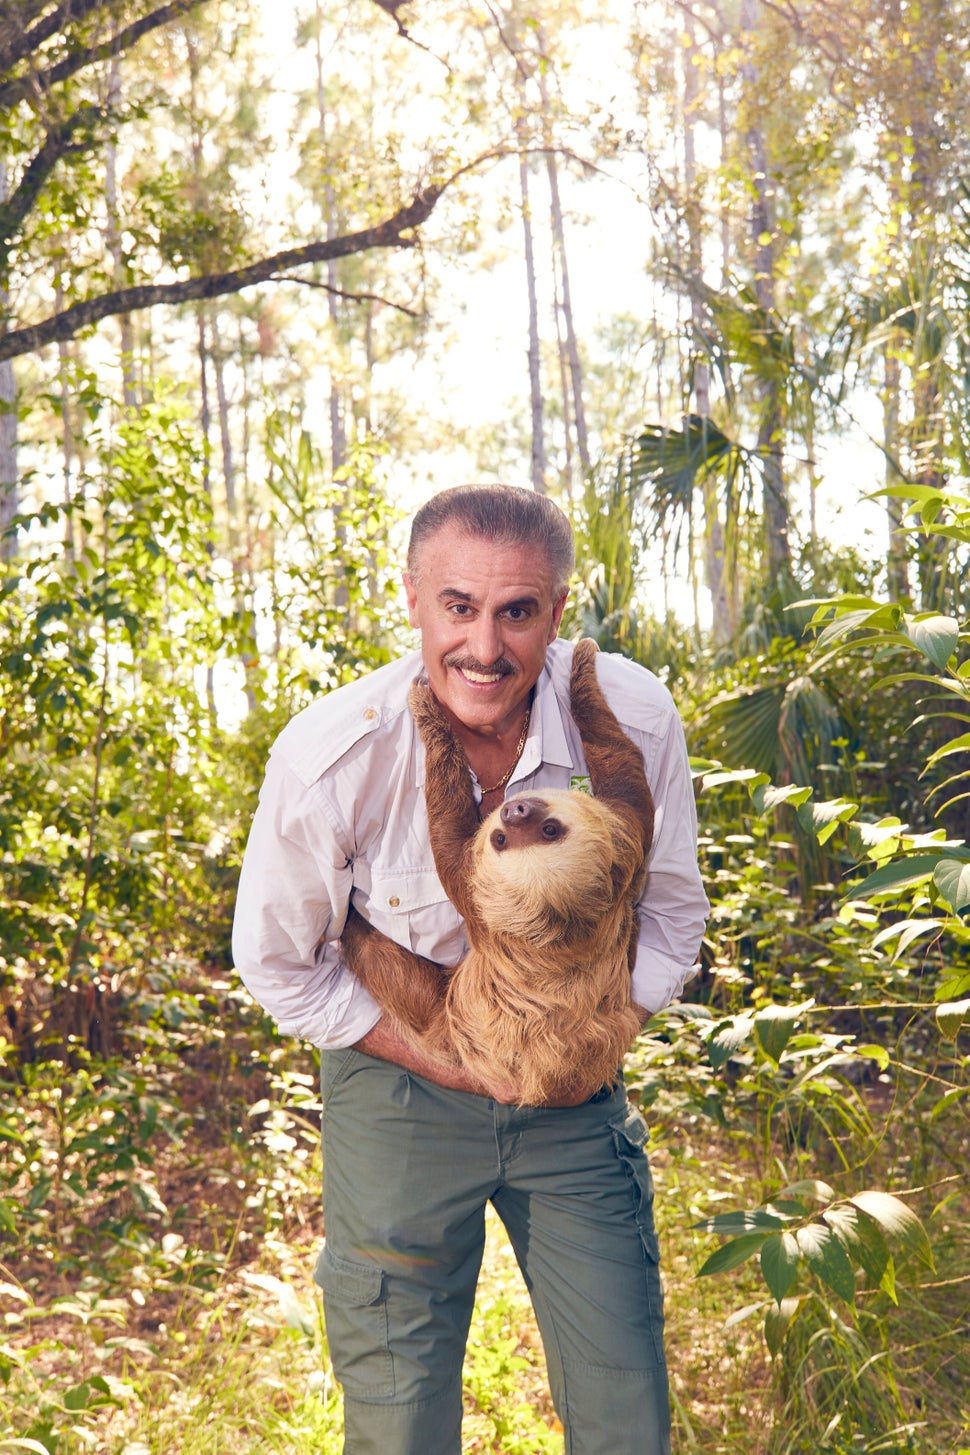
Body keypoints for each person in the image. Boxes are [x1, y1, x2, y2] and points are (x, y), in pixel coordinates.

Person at [232, 484, 708, 1455]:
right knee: (399, 1413)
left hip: (572, 1086)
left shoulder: (629, 714)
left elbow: (670, 912)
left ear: (555, 612)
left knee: (627, 1406)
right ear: (411, 597)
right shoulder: (336, 755)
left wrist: (594, 1036)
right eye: (458, 606)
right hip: (403, 1080)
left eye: (515, 611)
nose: (483, 647)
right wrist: (443, 1060)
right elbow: (278, 963)